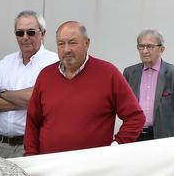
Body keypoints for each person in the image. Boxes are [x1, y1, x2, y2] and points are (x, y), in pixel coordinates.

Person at [24, 21, 144, 155]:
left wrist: (116, 147)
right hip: (50, 167)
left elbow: (135, 117)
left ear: (87, 43)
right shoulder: (46, 76)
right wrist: (30, 156)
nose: (66, 49)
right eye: (61, 44)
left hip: (91, 168)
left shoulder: (108, 73)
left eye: (73, 42)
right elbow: (32, 122)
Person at [0, 10, 58, 158]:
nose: (25, 38)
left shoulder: (53, 62)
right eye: (20, 33)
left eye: (30, 32)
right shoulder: (6, 62)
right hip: (2, 146)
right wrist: (29, 101)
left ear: (42, 33)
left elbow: (37, 99)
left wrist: (4, 93)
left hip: (33, 145)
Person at [122, 29, 174, 140]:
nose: (145, 51)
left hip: (164, 137)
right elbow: (124, 106)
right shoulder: (130, 73)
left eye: (150, 47)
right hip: (135, 136)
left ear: (161, 49)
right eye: (141, 46)